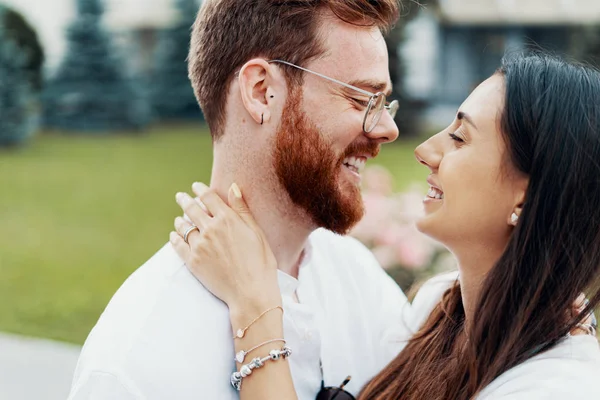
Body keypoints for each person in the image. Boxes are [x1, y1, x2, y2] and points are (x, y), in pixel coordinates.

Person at [171, 52, 600, 400]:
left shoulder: (556, 388)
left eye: (459, 138)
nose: (424, 150)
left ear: (525, 197)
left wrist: (254, 306)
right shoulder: (442, 311)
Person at [68, 1, 411, 399]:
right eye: (362, 99)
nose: (388, 128)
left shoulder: (360, 279)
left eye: (384, 103)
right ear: (262, 92)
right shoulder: (135, 363)